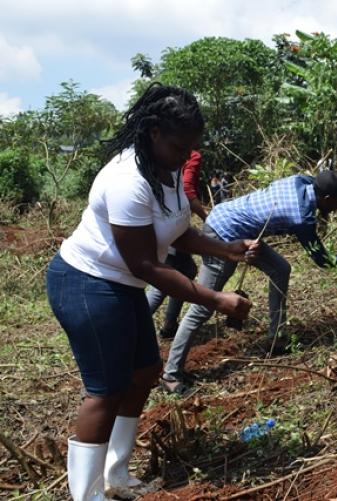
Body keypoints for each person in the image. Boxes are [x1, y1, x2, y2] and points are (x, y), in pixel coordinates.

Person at [45, 84, 256, 501]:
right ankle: (87, 497)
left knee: (143, 374)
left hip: (122, 284)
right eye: (181, 147)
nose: (186, 156)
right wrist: (215, 299)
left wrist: (224, 248)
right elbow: (147, 265)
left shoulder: (169, 167)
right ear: (154, 132)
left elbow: (177, 232)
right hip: (87, 282)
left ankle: (117, 475)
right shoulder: (127, 180)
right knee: (105, 391)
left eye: (192, 148)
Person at [160, 170, 337, 394]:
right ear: (326, 199)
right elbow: (323, 261)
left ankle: (276, 338)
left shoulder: (303, 181)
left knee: (280, 269)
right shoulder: (302, 216)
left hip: (234, 223)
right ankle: (171, 375)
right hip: (223, 234)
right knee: (203, 308)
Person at [146, 150, 208, 339]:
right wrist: (207, 217)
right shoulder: (191, 155)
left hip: (160, 216)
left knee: (185, 270)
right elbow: (188, 191)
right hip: (172, 219)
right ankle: (134, 323)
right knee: (167, 278)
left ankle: (169, 324)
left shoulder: (156, 154)